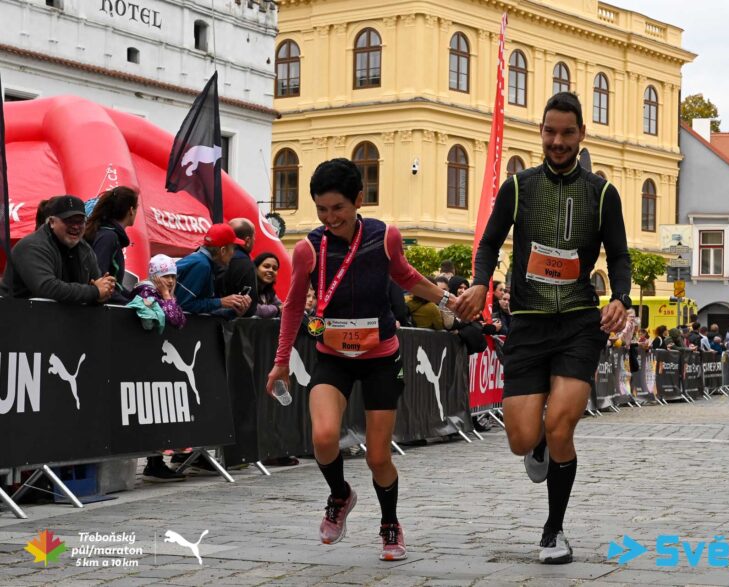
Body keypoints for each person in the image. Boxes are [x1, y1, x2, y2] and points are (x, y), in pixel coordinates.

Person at [456, 91, 630, 564]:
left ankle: (554, 531)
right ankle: (537, 447)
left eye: (567, 133)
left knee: (560, 426)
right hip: (529, 323)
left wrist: (620, 297)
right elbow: (489, 243)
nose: (558, 141)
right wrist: (480, 282)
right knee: (521, 437)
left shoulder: (602, 193)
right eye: (550, 132)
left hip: (578, 322)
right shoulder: (518, 187)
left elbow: (619, 255)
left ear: (581, 135)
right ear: (541, 132)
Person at [265, 158, 458, 561]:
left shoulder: (384, 237)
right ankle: (340, 495)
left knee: (378, 456)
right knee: (323, 438)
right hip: (333, 356)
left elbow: (405, 276)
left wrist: (446, 299)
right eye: (321, 209)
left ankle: (390, 524)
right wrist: (281, 360)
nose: (330, 217)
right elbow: (293, 306)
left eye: (338, 207)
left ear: (358, 200)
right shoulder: (308, 249)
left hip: (380, 357)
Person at [131, 255, 188, 483]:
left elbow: (180, 321)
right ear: (154, 276)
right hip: (144, 364)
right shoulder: (146, 291)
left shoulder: (165, 294)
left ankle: (157, 462)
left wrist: (167, 297)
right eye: (166, 276)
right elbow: (173, 318)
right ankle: (153, 463)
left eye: (173, 276)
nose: (171, 281)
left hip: (158, 364)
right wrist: (166, 296)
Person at [0, 195, 115, 303]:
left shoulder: (85, 249)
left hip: (59, 316)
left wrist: (105, 289)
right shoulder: (31, 246)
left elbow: (98, 287)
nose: (75, 226)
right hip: (17, 315)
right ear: (52, 222)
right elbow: (46, 288)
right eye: (69, 221)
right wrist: (95, 292)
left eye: (80, 221)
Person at [175, 224, 251, 318]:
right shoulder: (202, 265)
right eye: (233, 248)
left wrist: (234, 312)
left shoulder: (203, 261)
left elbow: (203, 310)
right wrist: (220, 302)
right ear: (223, 250)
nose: (233, 253)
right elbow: (182, 305)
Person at [84, 186, 139, 303]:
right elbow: (100, 281)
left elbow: (115, 286)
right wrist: (131, 305)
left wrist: (136, 298)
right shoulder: (108, 237)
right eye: (136, 208)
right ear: (131, 210)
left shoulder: (108, 234)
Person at [219, 218, 259, 317]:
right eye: (254, 237)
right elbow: (249, 308)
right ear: (247, 240)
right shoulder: (245, 265)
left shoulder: (213, 257)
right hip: (230, 322)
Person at [254, 252, 283, 318]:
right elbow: (251, 308)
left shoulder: (269, 292)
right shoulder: (248, 286)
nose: (271, 270)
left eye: (274, 268)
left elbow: (282, 307)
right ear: (256, 268)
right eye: (266, 266)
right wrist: (277, 309)